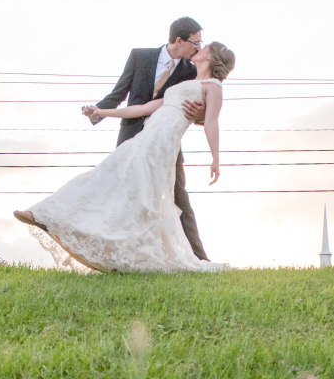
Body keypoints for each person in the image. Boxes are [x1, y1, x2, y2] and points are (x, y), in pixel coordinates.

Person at [13, 41, 235, 272]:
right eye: (197, 42)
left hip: (161, 146)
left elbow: (211, 122)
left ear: (210, 58)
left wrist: (215, 159)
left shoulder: (213, 87)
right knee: (106, 175)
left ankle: (125, 250)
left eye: (205, 46)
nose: (200, 47)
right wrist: (102, 112)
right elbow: (142, 108)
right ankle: (48, 214)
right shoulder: (186, 83)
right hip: (143, 140)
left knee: (139, 196)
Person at [88, 16, 209, 260]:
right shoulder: (139, 56)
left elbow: (199, 106)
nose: (198, 47)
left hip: (166, 141)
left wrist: (201, 116)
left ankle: (198, 257)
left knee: (178, 196)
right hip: (132, 134)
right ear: (178, 40)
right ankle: (115, 254)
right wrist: (97, 112)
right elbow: (120, 91)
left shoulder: (192, 70)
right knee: (121, 191)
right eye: (195, 42)